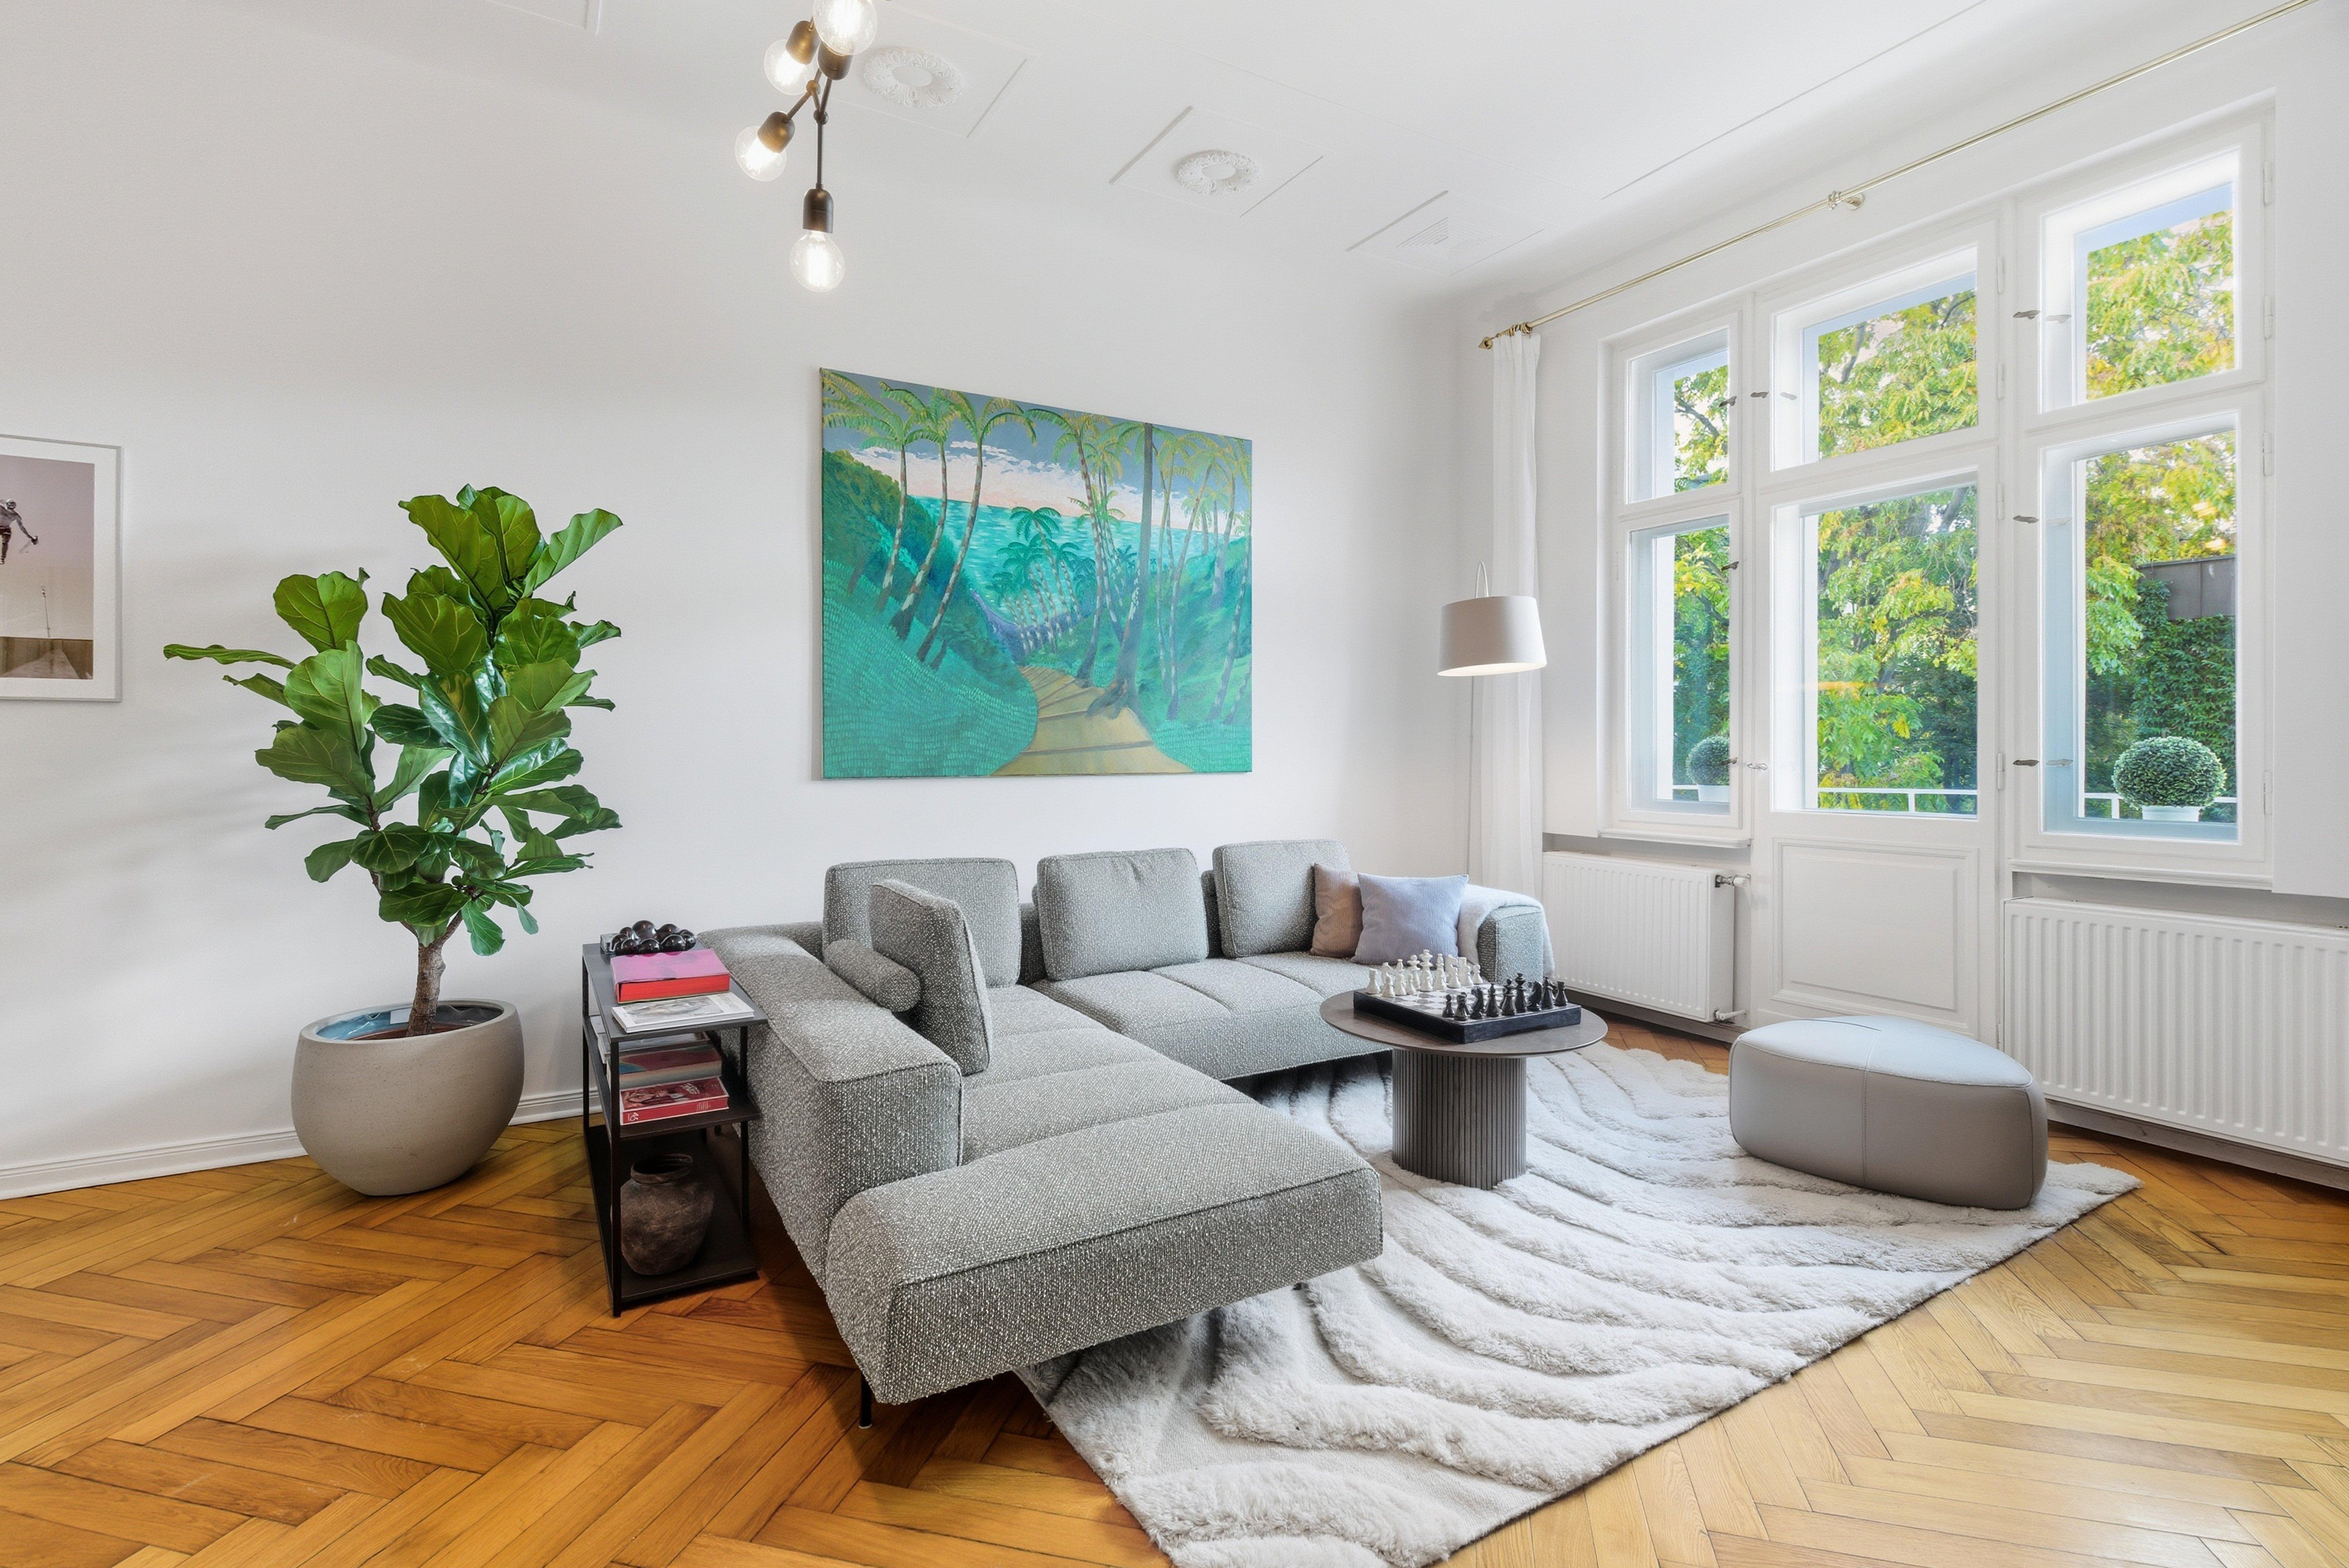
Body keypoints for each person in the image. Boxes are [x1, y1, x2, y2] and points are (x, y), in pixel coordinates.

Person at [0, 499, 34, 566]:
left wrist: (29, 536)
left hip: (6, 529)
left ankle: (2, 559)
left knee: (6, 541)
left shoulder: (15, 516)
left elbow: (22, 527)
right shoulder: (1, 508)